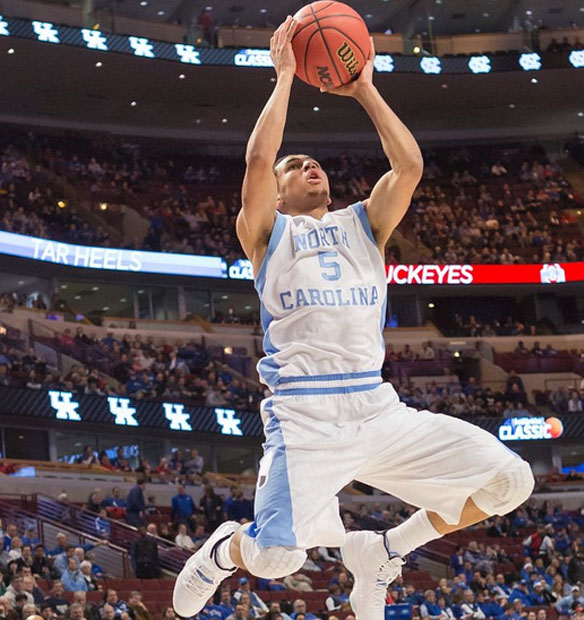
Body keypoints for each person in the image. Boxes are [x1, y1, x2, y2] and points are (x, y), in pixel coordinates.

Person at [173, 15, 534, 620]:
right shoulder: (265, 232)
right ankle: (224, 548)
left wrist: (365, 87)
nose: (308, 166)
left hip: (376, 408)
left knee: (511, 482)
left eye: (314, 162)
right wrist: (285, 76)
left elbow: (410, 166)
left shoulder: (363, 223)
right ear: (279, 192)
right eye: (296, 167)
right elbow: (258, 160)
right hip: (305, 418)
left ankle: (386, 552)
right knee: (279, 560)